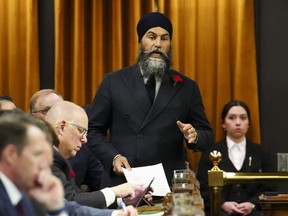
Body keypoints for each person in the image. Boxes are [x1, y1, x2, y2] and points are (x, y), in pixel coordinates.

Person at [87, 12, 213, 187]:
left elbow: (207, 135)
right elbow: (93, 131)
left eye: (164, 38)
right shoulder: (113, 81)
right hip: (123, 181)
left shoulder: (187, 87)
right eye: (151, 37)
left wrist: (195, 135)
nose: (158, 44)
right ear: (141, 41)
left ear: (170, 44)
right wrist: (113, 157)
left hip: (168, 184)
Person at [44, 101, 150, 209]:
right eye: (81, 131)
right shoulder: (46, 157)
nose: (85, 139)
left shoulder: (58, 157)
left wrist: (123, 201)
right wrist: (115, 191)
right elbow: (70, 202)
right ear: (62, 127)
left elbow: (78, 197)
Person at [196, 100, 274, 216]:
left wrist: (252, 204)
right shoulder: (211, 152)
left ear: (249, 123)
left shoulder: (262, 152)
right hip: (220, 212)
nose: (238, 123)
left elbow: (270, 187)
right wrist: (222, 204)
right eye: (232, 118)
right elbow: (203, 187)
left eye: (243, 118)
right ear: (223, 123)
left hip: (255, 212)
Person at [30, 89, 103, 192]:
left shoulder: (82, 146)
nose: (55, 114)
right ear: (33, 116)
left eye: (59, 109)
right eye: (47, 110)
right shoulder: (30, 150)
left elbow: (97, 182)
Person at [0, 109, 67, 216]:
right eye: (38, 154)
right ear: (11, 155)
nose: (45, 167)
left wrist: (56, 208)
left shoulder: (30, 198)